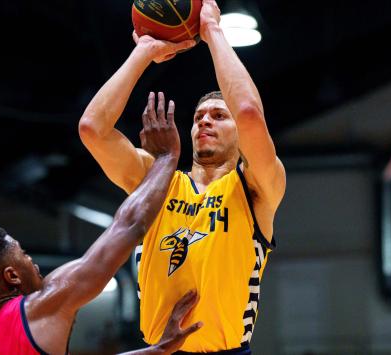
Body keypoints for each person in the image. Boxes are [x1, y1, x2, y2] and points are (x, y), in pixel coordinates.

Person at [77, 0, 286, 352]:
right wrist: (143, 52)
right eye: (199, 116)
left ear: (239, 135)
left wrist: (212, 31)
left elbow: (248, 113)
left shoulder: (257, 188)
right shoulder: (157, 182)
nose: (205, 120)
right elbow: (92, 129)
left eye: (219, 115)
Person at [0, 102, 202, 355]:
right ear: (11, 276)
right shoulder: (39, 307)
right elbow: (129, 225)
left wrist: (156, 350)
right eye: (24, 255)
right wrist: (167, 158)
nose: (34, 264)